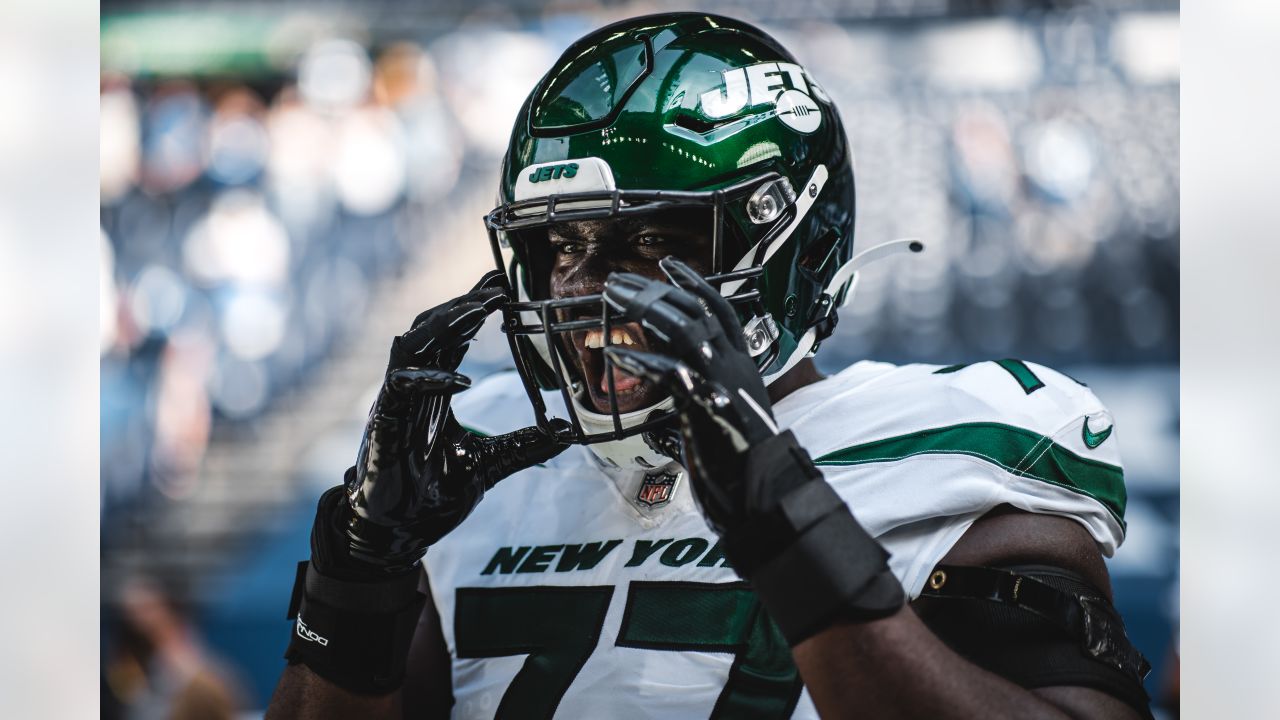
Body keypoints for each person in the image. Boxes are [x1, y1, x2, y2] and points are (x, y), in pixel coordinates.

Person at [267, 13, 1151, 719]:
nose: (581, 290)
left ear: (792, 245)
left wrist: (785, 518)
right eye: (559, 245)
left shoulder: (947, 446)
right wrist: (360, 577)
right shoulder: (491, 454)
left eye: (646, 240)